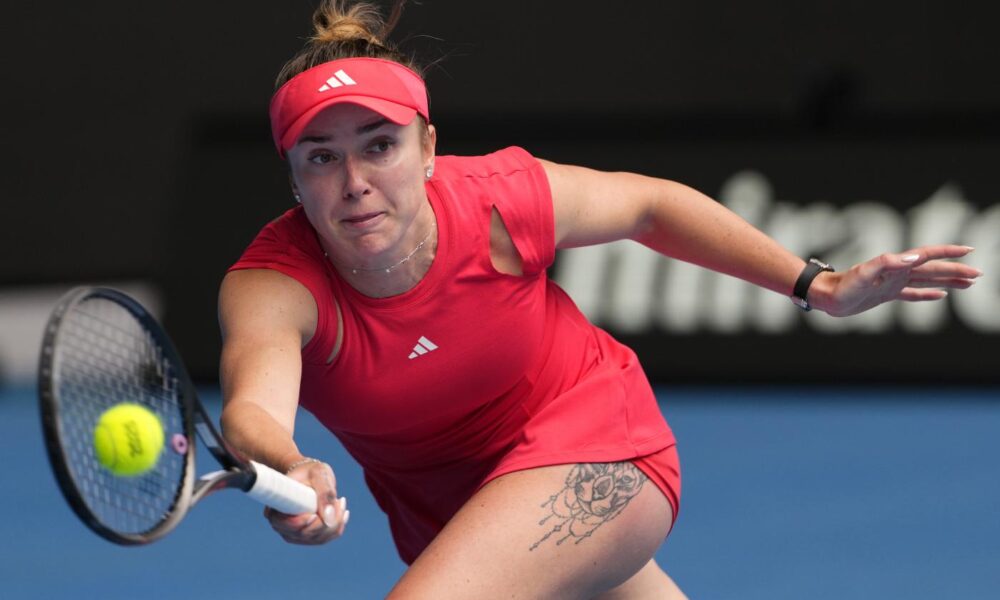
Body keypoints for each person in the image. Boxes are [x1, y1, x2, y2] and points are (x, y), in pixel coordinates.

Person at [218, 1, 982, 597]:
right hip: (462, 518)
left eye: (379, 146)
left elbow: (649, 206)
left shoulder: (499, 200)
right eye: (323, 158)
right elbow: (253, 408)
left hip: (598, 447)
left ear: (428, 149)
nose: (355, 182)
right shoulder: (274, 284)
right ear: (294, 178)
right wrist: (291, 465)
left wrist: (819, 285)